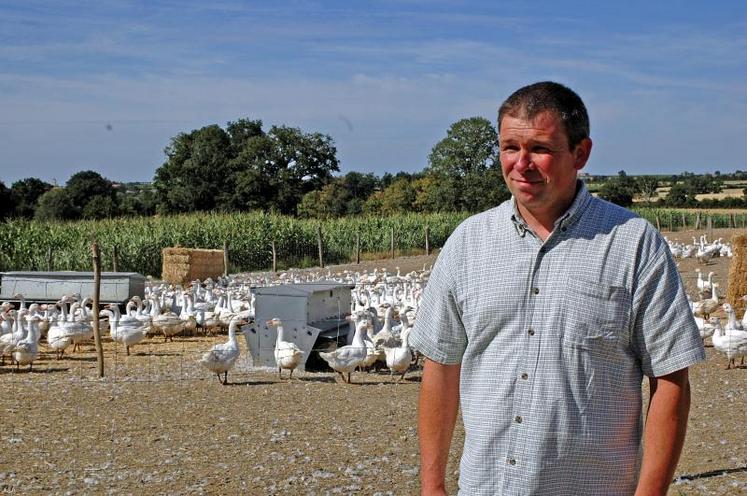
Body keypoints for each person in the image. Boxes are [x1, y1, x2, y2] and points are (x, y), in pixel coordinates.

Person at [409, 81, 705, 496]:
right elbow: (440, 367)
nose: (521, 163)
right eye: (510, 147)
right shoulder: (468, 243)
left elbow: (670, 376)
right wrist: (432, 484)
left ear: (581, 152)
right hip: (487, 487)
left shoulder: (633, 243)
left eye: (540, 149)